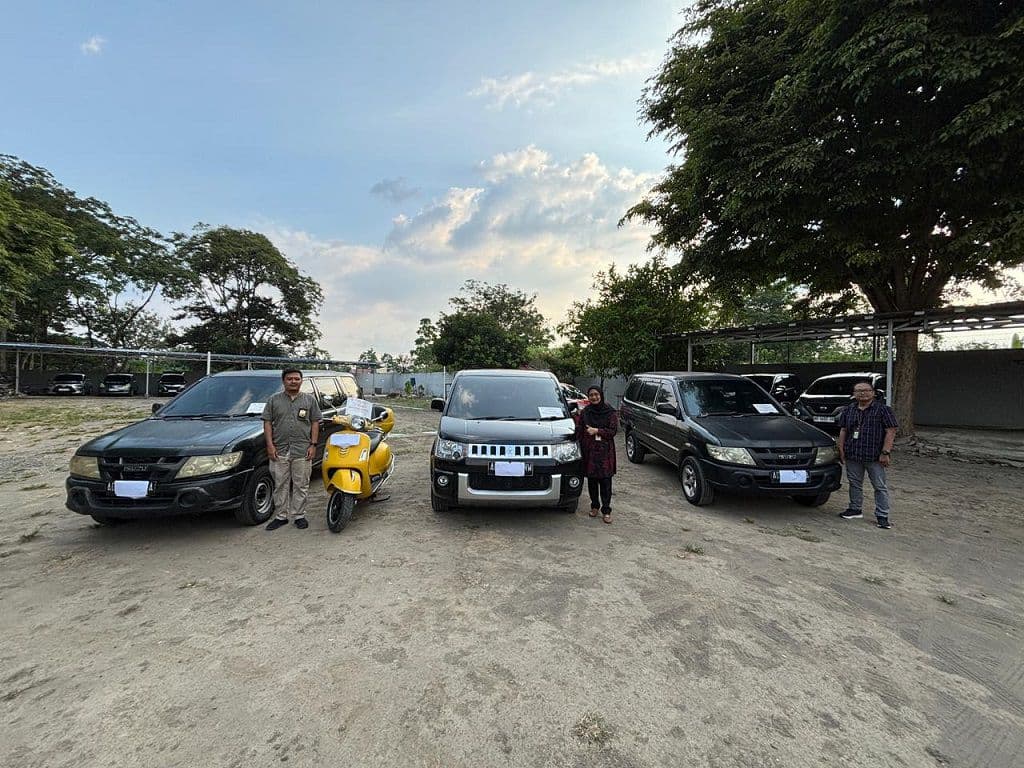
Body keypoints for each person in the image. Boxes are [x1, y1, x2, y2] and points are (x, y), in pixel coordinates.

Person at [261, 368, 321, 531]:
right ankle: (281, 516)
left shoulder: (309, 400)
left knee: (301, 484)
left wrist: (313, 445)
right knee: (280, 484)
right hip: (279, 449)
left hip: (302, 449)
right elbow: (267, 422)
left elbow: (315, 422)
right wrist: (270, 445)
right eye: (289, 379)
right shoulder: (274, 400)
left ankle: (299, 515)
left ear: (301, 381)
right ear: (283, 381)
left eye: (296, 379)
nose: (293, 381)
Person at [837, 381, 898, 529]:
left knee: (879, 486)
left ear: (873, 392)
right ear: (854, 394)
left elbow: (891, 431)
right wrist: (841, 449)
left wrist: (886, 452)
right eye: (858, 391)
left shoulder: (883, 410)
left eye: (866, 390)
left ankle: (882, 515)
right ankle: (855, 508)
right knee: (854, 483)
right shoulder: (849, 410)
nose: (862, 393)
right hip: (853, 454)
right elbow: (844, 430)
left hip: (874, 455)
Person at [577, 385, 619, 524]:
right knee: (592, 481)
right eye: (591, 395)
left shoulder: (610, 412)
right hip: (590, 452)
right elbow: (580, 429)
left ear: (601, 395)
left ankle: (606, 511)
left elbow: (613, 431)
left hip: (605, 453)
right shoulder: (586, 412)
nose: (594, 397)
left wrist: (597, 431)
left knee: (606, 482)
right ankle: (594, 506)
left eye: (596, 394)